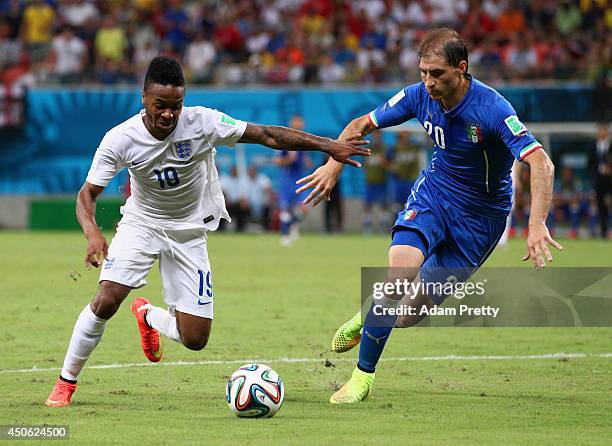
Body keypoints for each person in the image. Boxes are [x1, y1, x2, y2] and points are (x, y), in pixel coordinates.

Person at [45, 56, 369, 407]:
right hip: (142, 224)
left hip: (189, 232)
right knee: (106, 299)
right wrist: (93, 232)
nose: (169, 114)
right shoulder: (120, 139)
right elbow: (86, 195)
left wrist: (329, 145)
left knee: (195, 338)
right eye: (161, 106)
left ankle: (148, 315)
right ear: (144, 99)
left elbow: (267, 135)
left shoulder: (204, 122)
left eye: (176, 106)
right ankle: (66, 382)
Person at [297, 28, 562, 404]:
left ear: (461, 68)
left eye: (437, 73)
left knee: (405, 315)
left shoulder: (493, 109)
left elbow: (541, 162)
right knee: (398, 275)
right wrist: (333, 165)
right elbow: (360, 125)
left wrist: (536, 224)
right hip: (435, 195)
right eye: (423, 71)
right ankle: (362, 378)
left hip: (481, 219)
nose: (428, 81)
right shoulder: (417, 96)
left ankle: (366, 316)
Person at [273, 114, 313, 246]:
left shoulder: (303, 140)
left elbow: (303, 157)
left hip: (300, 178)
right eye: (296, 122)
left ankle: (292, 225)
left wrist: (306, 160)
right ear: (292, 124)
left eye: (300, 122)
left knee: (304, 208)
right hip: (287, 180)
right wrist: (288, 160)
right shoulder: (285, 140)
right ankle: (285, 235)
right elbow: (276, 160)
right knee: (285, 209)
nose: (299, 125)